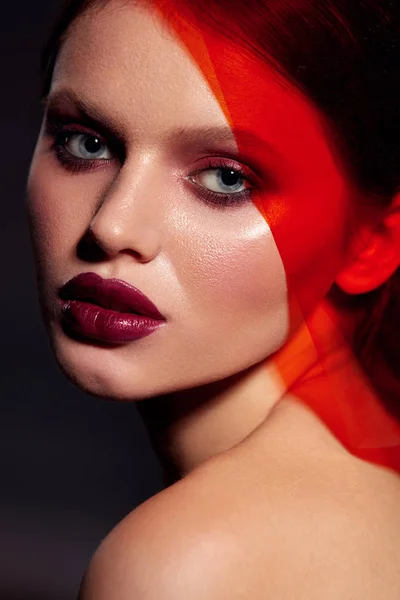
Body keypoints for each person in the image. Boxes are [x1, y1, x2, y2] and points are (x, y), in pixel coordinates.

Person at [27, 0, 400, 597]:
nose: (113, 227)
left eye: (227, 177)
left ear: (372, 242)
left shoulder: (189, 562)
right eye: (87, 143)